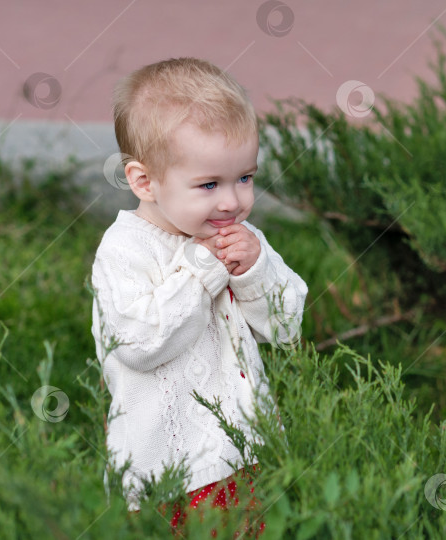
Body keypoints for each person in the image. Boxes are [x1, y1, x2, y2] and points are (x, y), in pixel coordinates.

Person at [90, 57, 307, 537]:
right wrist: (204, 269)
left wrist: (255, 270)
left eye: (244, 178)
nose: (232, 201)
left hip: (245, 450)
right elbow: (140, 343)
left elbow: (286, 325)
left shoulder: (239, 236)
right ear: (144, 181)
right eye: (209, 184)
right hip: (167, 469)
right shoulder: (125, 251)